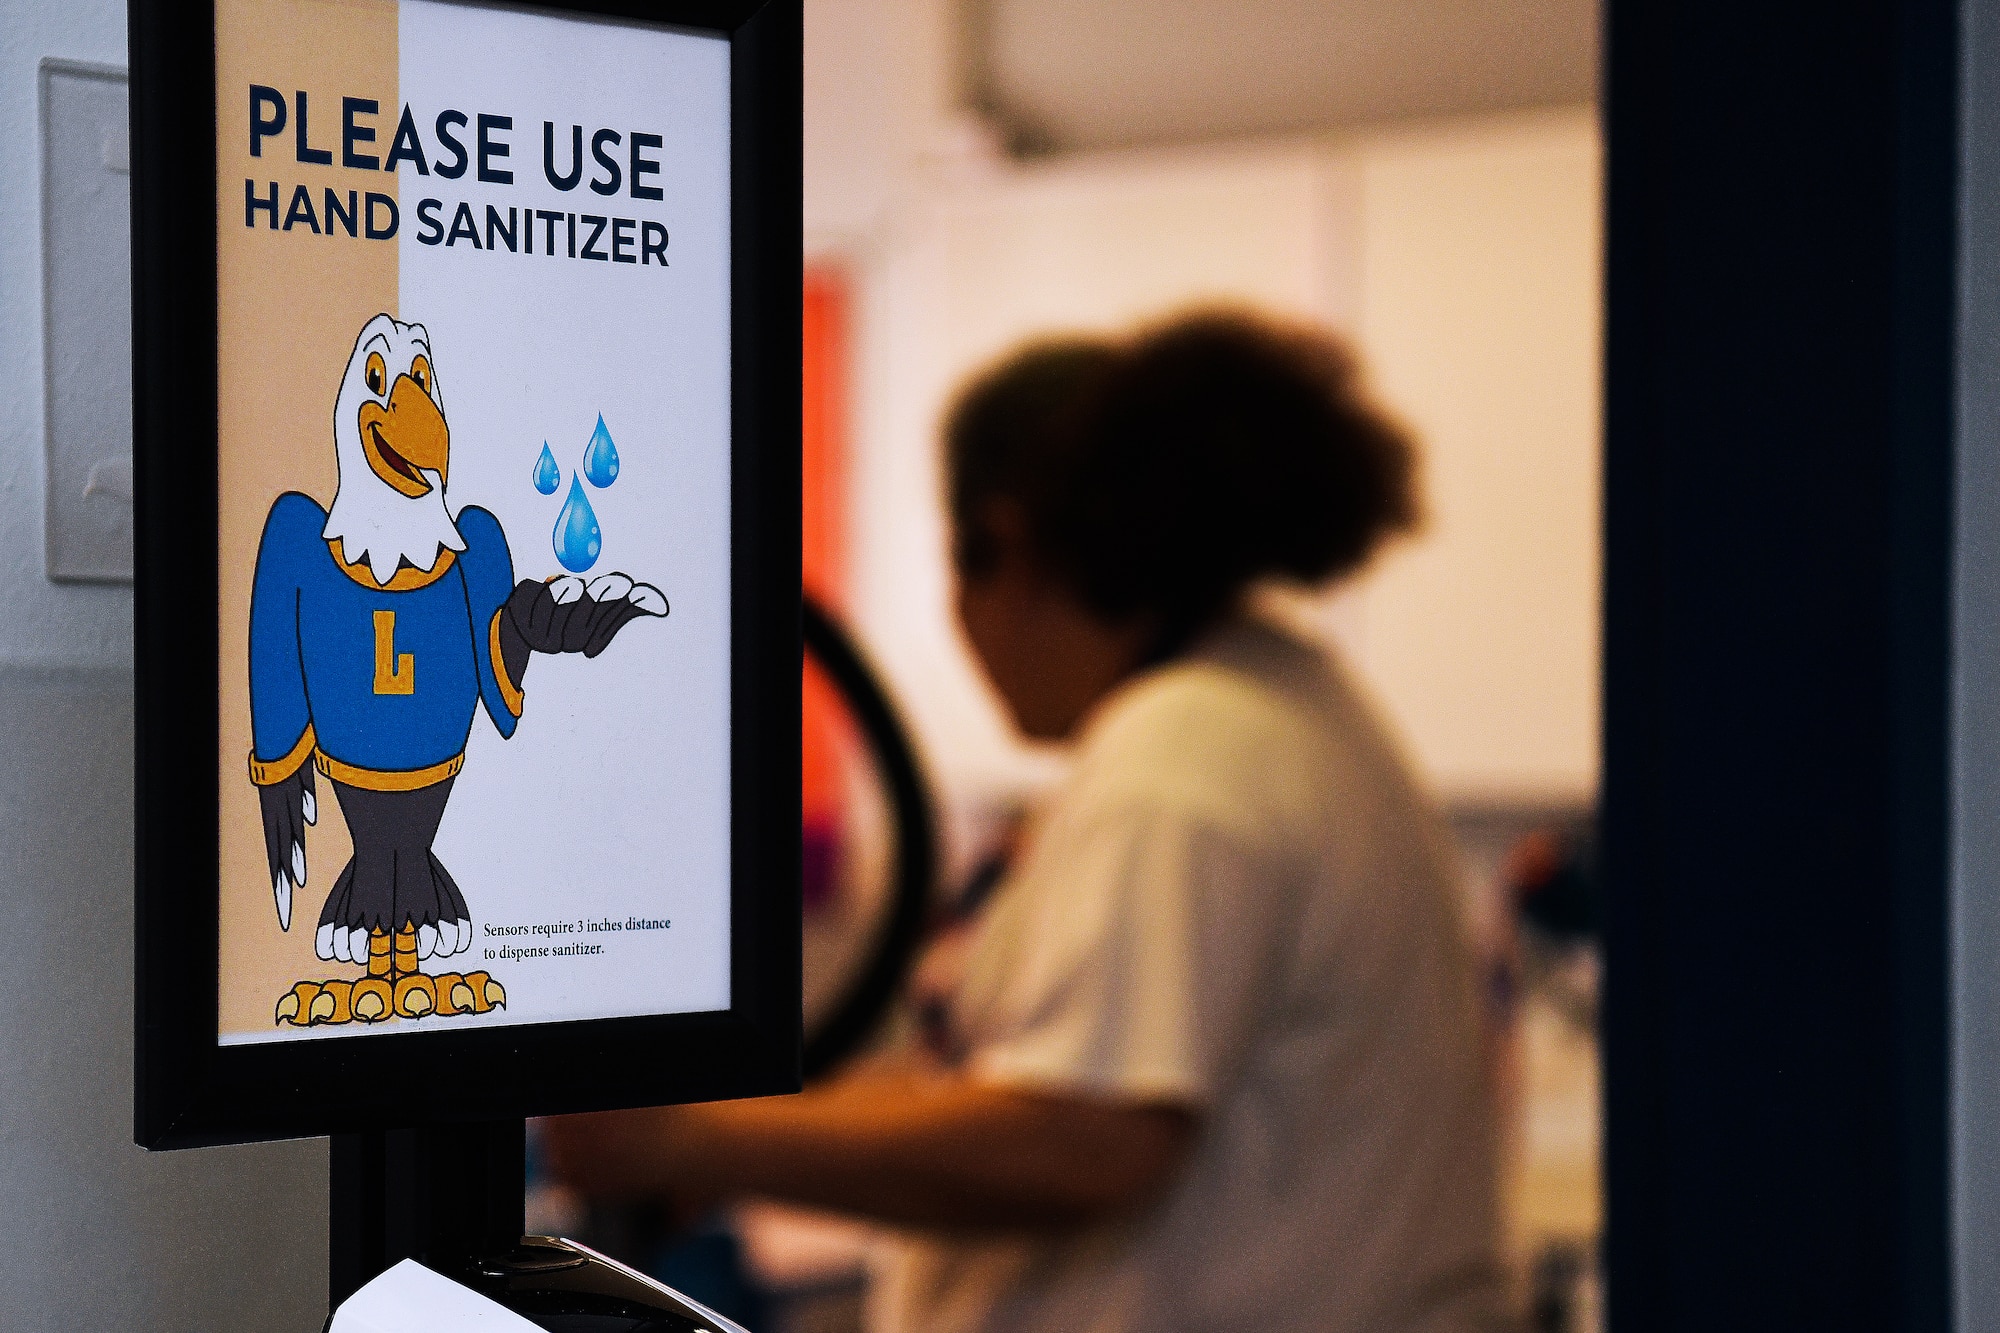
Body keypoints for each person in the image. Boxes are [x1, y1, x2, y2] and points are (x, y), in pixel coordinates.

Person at [544, 310, 1509, 1332]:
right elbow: (1010, 1081)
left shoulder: (1178, 759)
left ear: (1000, 545)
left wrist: (686, 1143)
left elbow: (1084, 1139)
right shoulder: (1283, 706)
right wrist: (730, 1123)